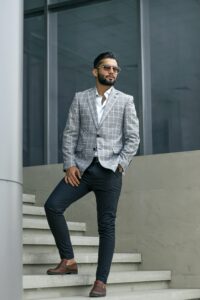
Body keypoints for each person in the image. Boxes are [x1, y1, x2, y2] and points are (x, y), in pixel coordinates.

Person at [44, 51, 140, 297]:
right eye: (107, 68)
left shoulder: (125, 100)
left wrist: (120, 164)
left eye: (115, 69)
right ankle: (68, 260)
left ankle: (101, 281)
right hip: (83, 169)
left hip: (109, 172)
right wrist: (70, 164)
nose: (112, 72)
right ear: (95, 71)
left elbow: (133, 138)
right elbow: (70, 133)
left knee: (106, 225)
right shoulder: (80, 98)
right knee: (53, 206)